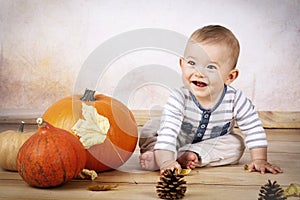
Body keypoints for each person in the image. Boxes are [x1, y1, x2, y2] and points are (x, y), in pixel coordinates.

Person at [139, 25, 282, 175]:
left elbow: (253, 128)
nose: (199, 73)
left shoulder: (235, 99)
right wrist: (166, 161)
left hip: (210, 144)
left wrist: (259, 159)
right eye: (192, 63)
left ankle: (190, 155)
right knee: (151, 127)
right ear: (182, 64)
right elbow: (168, 131)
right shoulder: (179, 98)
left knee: (237, 145)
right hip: (176, 138)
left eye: (211, 67)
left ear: (230, 77)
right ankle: (159, 155)